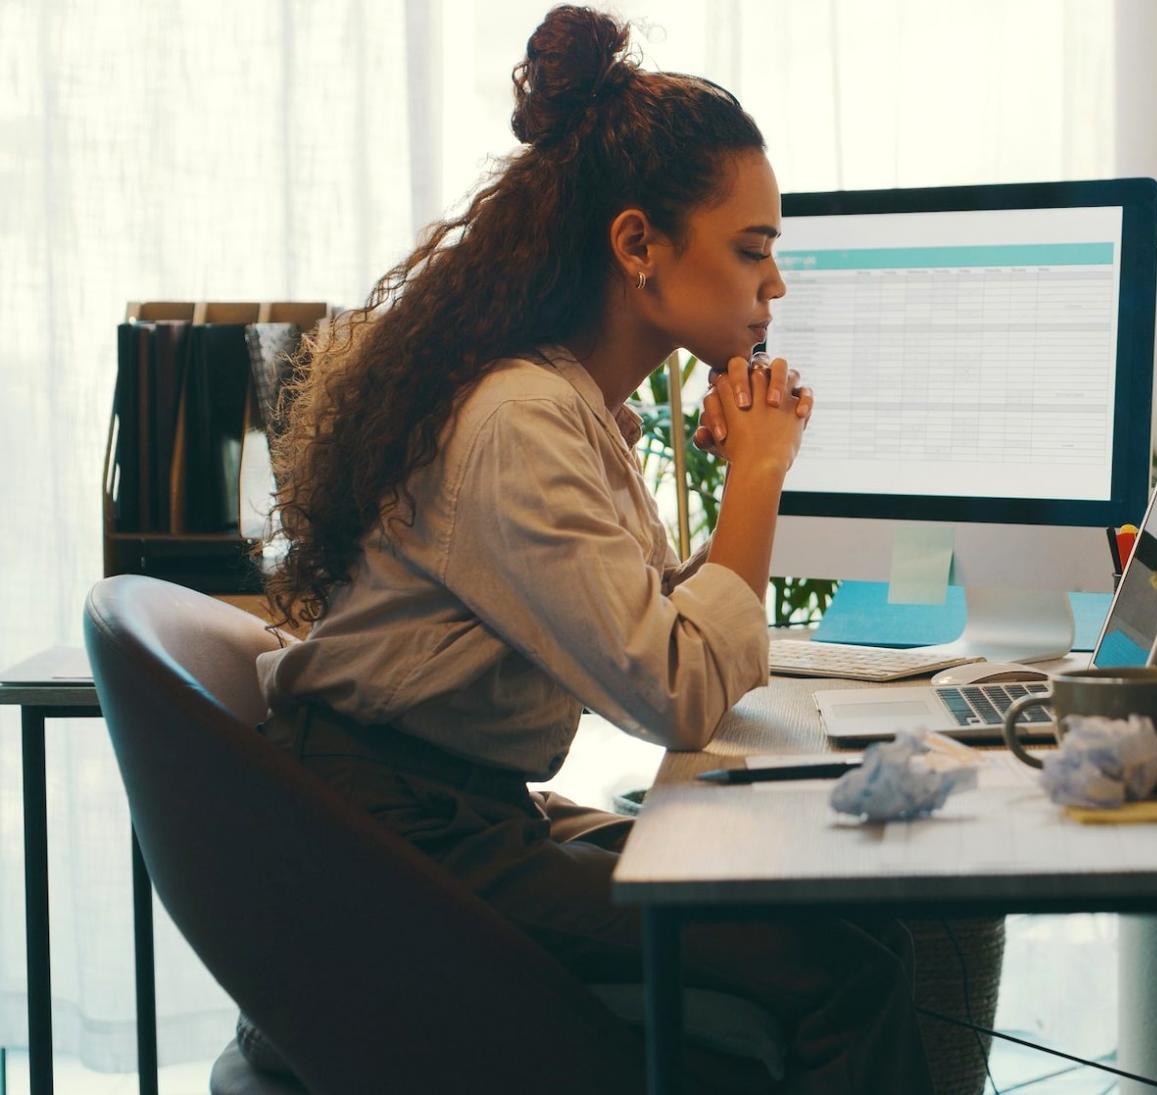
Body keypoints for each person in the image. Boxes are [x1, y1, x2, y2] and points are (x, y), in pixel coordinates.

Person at [255, 6, 931, 1092]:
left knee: (844, 919)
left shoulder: (568, 406)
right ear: (637, 247)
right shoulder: (518, 421)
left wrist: (744, 481)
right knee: (841, 976)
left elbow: (656, 628)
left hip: (457, 811)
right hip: (393, 844)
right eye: (752, 249)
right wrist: (758, 473)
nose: (776, 284)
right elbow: (678, 687)